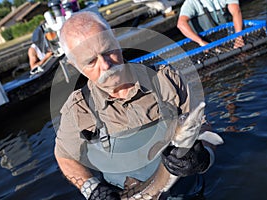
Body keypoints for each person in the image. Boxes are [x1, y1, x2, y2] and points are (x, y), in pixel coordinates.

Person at [55, 11, 216, 199]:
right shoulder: (77, 109)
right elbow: (65, 157)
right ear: (76, 66)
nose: (106, 65)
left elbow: (204, 128)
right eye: (91, 62)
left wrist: (205, 158)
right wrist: (92, 189)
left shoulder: (166, 79)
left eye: (108, 51)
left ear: (116, 41)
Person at [177, 0, 244, 48]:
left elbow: (236, 11)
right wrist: (201, 42)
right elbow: (181, 24)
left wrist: (239, 38)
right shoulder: (191, 3)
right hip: (206, 43)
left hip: (228, 39)